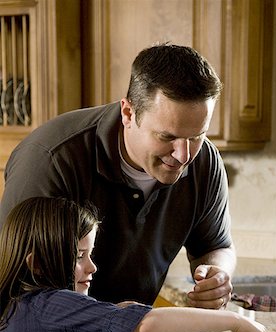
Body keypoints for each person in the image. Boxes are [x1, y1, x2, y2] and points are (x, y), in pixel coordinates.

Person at [0, 43, 235, 314]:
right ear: (128, 113)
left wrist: (218, 275)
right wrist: (121, 326)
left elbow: (216, 245)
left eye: (196, 136)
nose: (184, 155)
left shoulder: (205, 161)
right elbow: (18, 290)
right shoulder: (50, 160)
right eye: (167, 137)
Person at [0, 197, 272, 332]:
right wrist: (234, 321)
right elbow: (146, 324)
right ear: (37, 265)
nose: (92, 267)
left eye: (90, 254)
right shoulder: (46, 304)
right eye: (78, 256)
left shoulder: (31, 305)